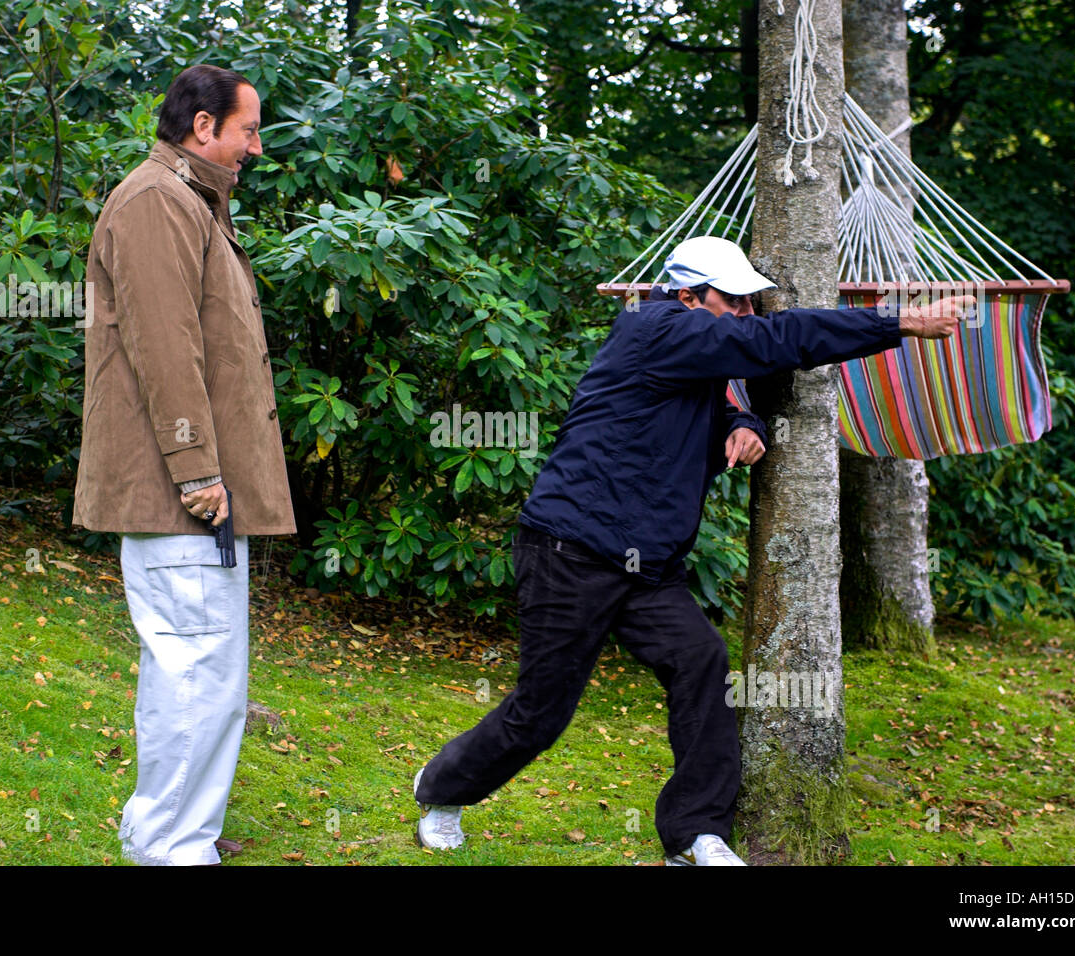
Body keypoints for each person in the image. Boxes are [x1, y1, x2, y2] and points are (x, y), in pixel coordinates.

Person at [411, 235, 971, 865]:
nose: (745, 314)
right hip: (572, 552)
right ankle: (440, 793)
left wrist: (744, 424)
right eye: (732, 302)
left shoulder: (696, 350)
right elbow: (771, 344)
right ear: (687, 296)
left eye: (750, 303)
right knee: (541, 713)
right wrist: (898, 320)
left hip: (648, 567)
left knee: (702, 665)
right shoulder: (658, 328)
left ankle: (695, 835)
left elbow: (730, 387)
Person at [73, 64, 295, 866]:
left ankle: (170, 832)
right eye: (249, 130)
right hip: (180, 493)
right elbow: (167, 350)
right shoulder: (157, 203)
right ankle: (170, 847)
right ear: (204, 127)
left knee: (204, 671)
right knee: (194, 670)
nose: (255, 147)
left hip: (194, 491)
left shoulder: (185, 200)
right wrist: (199, 470)